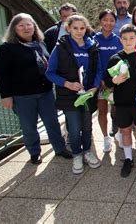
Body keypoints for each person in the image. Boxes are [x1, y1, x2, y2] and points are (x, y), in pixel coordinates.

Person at [0, 13, 72, 165]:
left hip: (45, 92)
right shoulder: (7, 49)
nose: (26, 28)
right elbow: (1, 74)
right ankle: (34, 152)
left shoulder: (40, 44)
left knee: (52, 122)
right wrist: (6, 96)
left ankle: (59, 148)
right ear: (14, 29)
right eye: (21, 25)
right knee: (29, 126)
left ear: (34, 26)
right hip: (22, 96)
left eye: (29, 24)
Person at [46, 15, 102, 174]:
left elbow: (98, 70)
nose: (79, 31)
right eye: (75, 28)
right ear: (68, 28)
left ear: (86, 29)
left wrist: (95, 87)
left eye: (82, 28)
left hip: (88, 95)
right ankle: (77, 154)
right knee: (75, 127)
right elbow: (50, 73)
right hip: (69, 96)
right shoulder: (61, 47)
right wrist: (67, 83)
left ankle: (87, 152)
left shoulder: (92, 46)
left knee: (87, 125)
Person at [104, 24, 136, 177]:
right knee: (125, 131)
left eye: (131, 38)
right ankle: (128, 159)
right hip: (121, 103)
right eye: (125, 38)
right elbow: (107, 81)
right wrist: (114, 80)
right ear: (120, 40)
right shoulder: (115, 58)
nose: (128, 41)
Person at [94, 9, 123, 153]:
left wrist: (113, 81)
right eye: (105, 20)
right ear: (100, 21)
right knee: (102, 111)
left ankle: (119, 134)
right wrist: (100, 80)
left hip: (115, 82)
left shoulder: (118, 40)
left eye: (112, 20)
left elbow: (122, 61)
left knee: (117, 111)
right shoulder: (93, 39)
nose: (108, 23)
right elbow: (92, 62)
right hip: (100, 83)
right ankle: (106, 138)